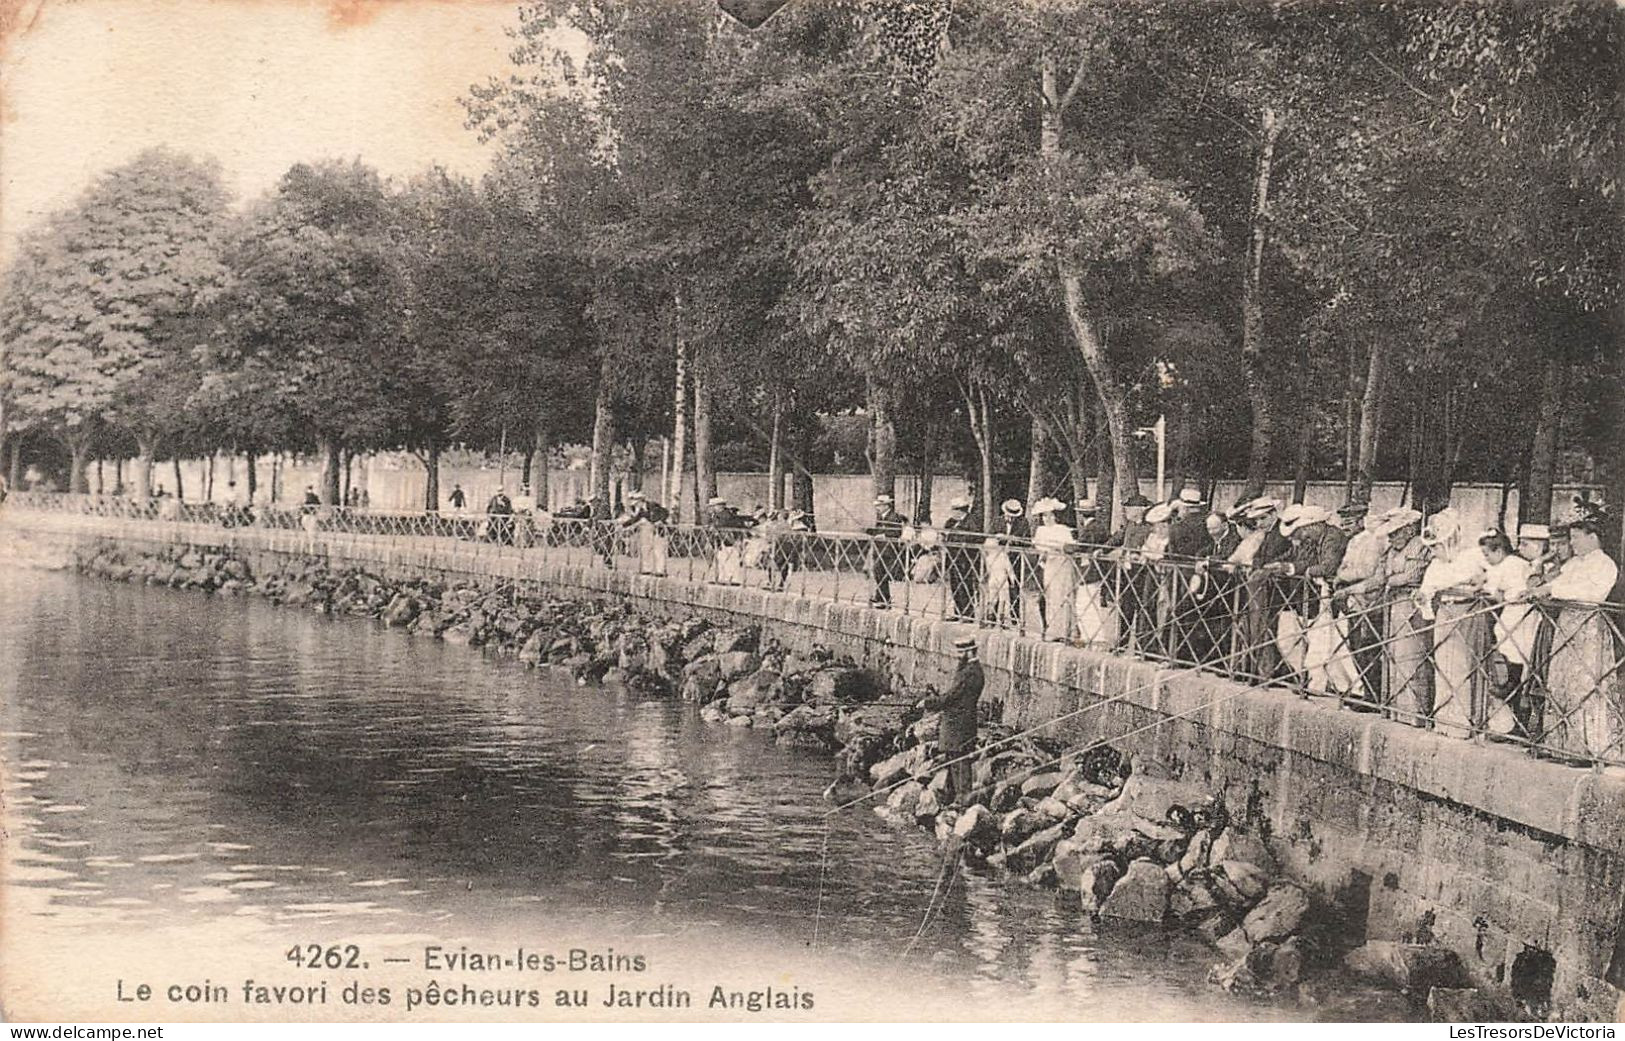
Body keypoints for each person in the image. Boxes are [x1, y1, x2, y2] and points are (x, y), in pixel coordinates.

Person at [1526, 514, 1619, 762]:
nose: (1573, 543)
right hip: (1567, 625)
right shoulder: (1575, 564)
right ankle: (1560, 744)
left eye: (1576, 538)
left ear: (1593, 537)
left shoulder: (1605, 564)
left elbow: (1594, 595)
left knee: (1584, 684)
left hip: (1588, 628)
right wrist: (1541, 588)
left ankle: (1586, 748)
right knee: (1561, 682)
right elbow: (1558, 583)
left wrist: (1554, 590)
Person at [919, 636, 984, 807]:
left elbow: (951, 696)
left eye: (962, 653)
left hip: (960, 724)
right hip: (959, 723)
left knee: (960, 761)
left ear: (970, 652)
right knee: (954, 759)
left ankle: (963, 800)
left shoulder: (970, 673)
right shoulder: (969, 670)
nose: (958, 656)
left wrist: (928, 703)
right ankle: (954, 796)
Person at [1332, 502, 1386, 706]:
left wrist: (1342, 577)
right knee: (1355, 647)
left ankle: (1374, 697)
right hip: (1354, 601)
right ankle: (1366, 693)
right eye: (1344, 521)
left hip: (1368, 602)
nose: (1345, 526)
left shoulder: (1372, 541)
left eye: (1349, 522)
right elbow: (1345, 565)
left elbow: (1366, 571)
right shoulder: (1353, 541)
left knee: (1367, 649)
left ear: (1361, 520)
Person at [1029, 498, 1077, 642]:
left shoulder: (1062, 529)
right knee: (1050, 594)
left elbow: (1068, 546)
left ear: (1055, 516)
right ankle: (1052, 629)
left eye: (1050, 515)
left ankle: (1066, 630)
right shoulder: (1041, 530)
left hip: (1062, 564)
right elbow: (1040, 547)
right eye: (1044, 516)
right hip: (1049, 564)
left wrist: (1056, 547)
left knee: (1063, 594)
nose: (1047, 519)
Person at [986, 499, 1027, 627]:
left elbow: (1027, 540)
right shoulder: (997, 521)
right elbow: (989, 538)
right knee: (995, 586)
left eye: (1014, 515)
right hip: (998, 558)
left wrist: (1015, 540)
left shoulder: (1023, 523)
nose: (1011, 518)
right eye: (1009, 515)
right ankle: (992, 616)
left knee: (1014, 586)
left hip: (1015, 557)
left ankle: (1014, 617)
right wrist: (999, 538)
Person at [865, 494, 910, 608]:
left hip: (888, 550)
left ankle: (884, 599)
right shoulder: (881, 517)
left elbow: (895, 533)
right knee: (878, 572)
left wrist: (882, 535)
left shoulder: (893, 517)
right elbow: (878, 530)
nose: (878, 508)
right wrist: (868, 531)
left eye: (880, 505)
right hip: (879, 549)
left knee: (882, 572)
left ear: (886, 505)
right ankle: (881, 597)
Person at [940, 496, 980, 622]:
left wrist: (960, 541)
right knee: (954, 584)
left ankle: (968, 614)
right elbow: (945, 532)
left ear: (961, 510)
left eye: (954, 510)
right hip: (952, 557)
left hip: (966, 558)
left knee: (966, 585)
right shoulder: (951, 522)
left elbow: (976, 537)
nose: (953, 513)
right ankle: (957, 612)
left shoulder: (971, 521)